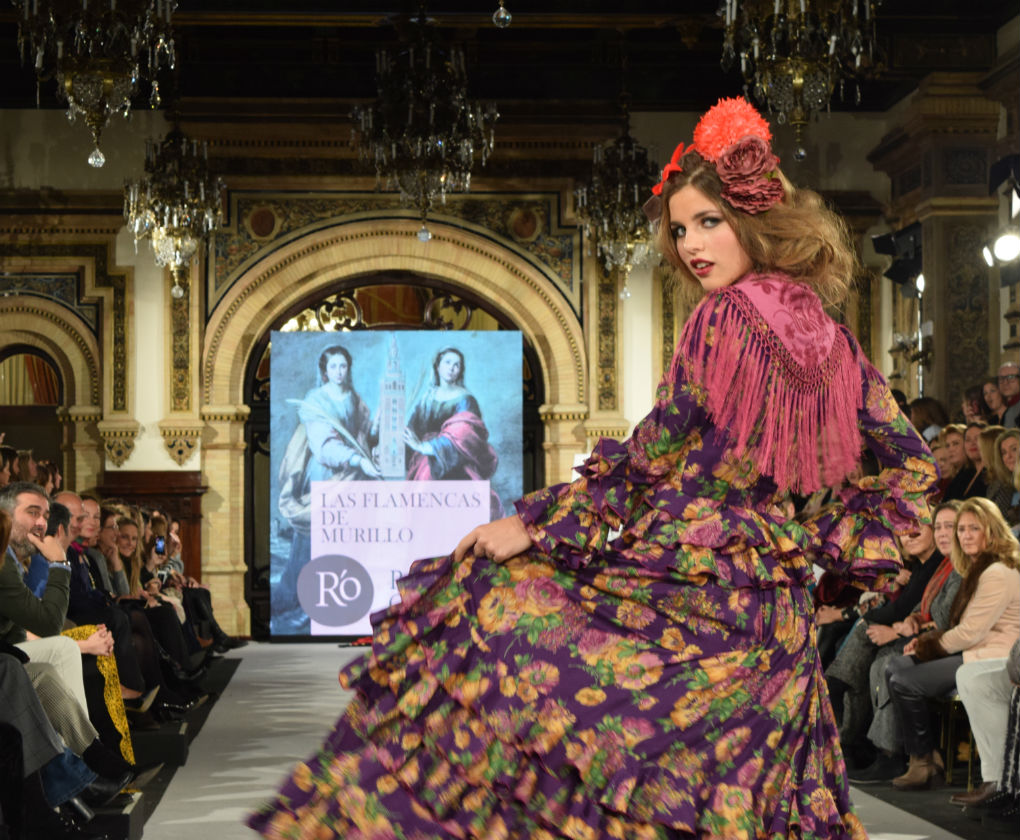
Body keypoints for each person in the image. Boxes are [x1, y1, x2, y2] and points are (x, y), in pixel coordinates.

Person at [249, 96, 937, 840]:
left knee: (489, 622)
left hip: (691, 594)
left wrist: (533, 523)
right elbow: (913, 468)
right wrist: (817, 545)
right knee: (743, 801)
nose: (692, 245)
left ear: (754, 218)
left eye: (709, 222)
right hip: (776, 615)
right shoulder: (833, 340)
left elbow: (653, 453)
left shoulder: (723, 317)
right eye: (679, 229)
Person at [878, 497, 1020, 791]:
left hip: (991, 654)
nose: (965, 536)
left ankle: (923, 762)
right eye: (961, 530)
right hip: (974, 648)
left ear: (991, 530)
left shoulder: (997, 571)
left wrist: (925, 646)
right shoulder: (978, 566)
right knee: (895, 666)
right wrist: (923, 642)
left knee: (904, 680)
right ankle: (925, 757)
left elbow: (969, 633)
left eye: (973, 529)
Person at [275, 344, 380, 622]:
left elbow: (364, 434)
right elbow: (324, 446)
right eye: (333, 366)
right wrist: (358, 460)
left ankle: (342, 600)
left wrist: (378, 427)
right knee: (316, 538)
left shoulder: (354, 398)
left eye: (343, 366)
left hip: (353, 477)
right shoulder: (316, 400)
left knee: (347, 539)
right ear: (324, 370)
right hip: (325, 474)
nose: (339, 371)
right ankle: (304, 602)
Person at [405, 346, 501, 516]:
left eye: (457, 365)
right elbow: (413, 429)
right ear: (438, 366)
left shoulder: (466, 400)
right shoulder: (427, 398)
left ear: (460, 371)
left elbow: (465, 433)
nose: (452, 368)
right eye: (448, 362)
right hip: (424, 460)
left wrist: (427, 448)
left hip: (456, 463)